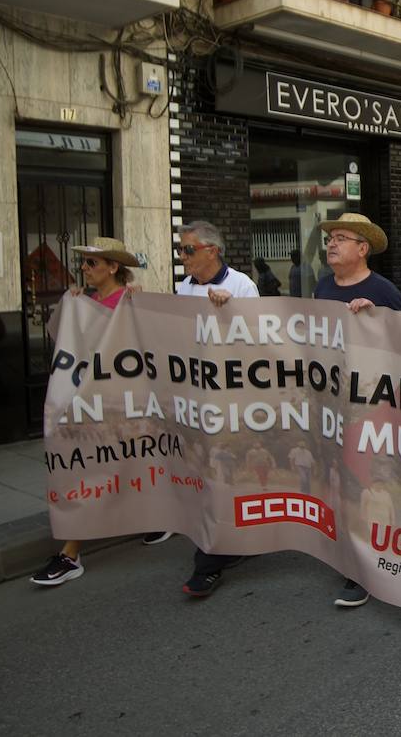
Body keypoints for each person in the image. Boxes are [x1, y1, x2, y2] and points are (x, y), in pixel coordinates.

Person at [31, 237, 140, 586]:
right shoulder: (81, 301)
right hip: (88, 401)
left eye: (93, 263)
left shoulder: (132, 301)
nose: (85, 268)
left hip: (121, 402)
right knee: (93, 465)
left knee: (110, 464)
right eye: (85, 263)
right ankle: (71, 551)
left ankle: (71, 552)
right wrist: (72, 309)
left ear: (113, 267)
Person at [312, 212, 401, 609]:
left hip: (370, 407)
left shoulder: (383, 290)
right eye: (330, 238)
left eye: (342, 238)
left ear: (362, 249)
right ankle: (350, 553)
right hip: (332, 405)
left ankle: (365, 568)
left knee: (363, 480)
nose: (332, 244)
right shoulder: (320, 288)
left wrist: (377, 322)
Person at [175, 221, 260, 597]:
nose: (182, 257)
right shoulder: (182, 288)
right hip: (196, 398)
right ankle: (231, 543)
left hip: (230, 399)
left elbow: (259, 340)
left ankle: (207, 563)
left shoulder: (242, 286)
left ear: (212, 250)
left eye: (188, 250)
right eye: (180, 250)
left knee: (221, 471)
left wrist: (230, 312)